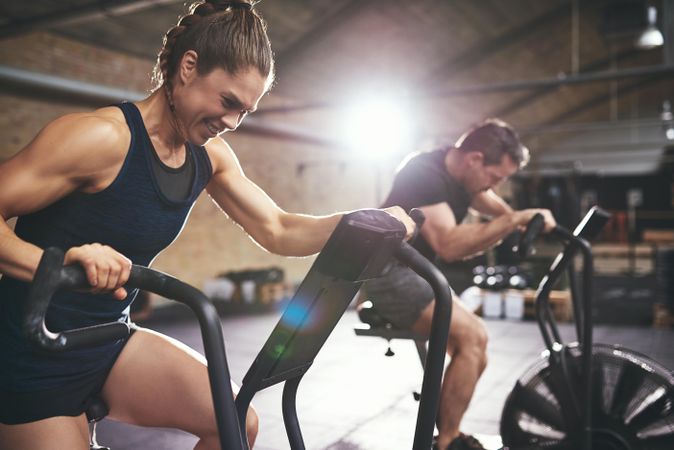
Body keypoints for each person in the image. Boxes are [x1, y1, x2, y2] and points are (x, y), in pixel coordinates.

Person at [0, 2, 415, 449]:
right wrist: (57, 262)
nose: (233, 122)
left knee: (237, 423)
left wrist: (362, 222)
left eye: (246, 112)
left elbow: (277, 228)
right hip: (31, 348)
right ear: (189, 67)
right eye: (228, 102)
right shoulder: (99, 139)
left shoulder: (207, 158)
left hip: (107, 339)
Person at [361, 119, 556, 450]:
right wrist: (513, 221)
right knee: (471, 337)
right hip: (386, 272)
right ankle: (446, 442)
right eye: (495, 177)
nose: (494, 185)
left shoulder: (462, 177)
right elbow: (449, 245)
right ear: (475, 159)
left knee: (476, 351)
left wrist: (521, 220)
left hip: (416, 271)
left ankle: (446, 431)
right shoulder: (424, 172)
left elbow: (489, 202)